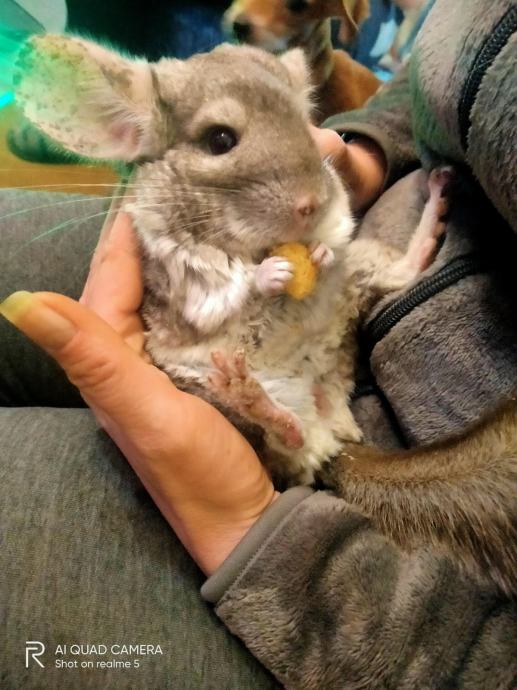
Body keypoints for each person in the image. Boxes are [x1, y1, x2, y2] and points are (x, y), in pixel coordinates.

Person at [1, 0, 516, 688]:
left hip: (345, 477)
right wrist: (365, 153)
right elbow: (439, 69)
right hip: (314, 256)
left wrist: (252, 530)